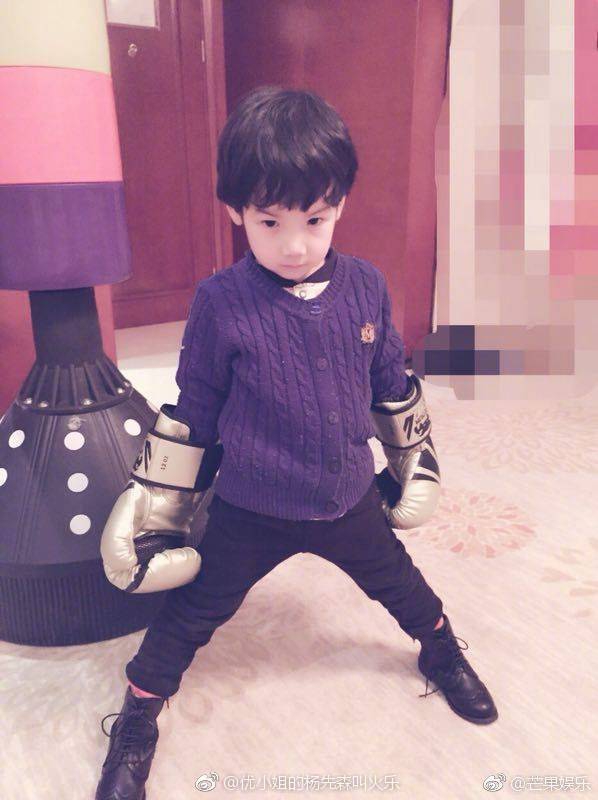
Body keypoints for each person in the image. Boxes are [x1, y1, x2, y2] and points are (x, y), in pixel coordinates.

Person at [95, 85, 498, 800]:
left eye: (315, 218)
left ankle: (441, 650)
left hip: (347, 495)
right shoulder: (220, 302)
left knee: (402, 585)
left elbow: (390, 383)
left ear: (340, 203)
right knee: (192, 612)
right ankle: (138, 712)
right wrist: (157, 506)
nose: (295, 244)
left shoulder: (367, 287)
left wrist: (416, 462)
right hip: (250, 506)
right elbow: (195, 411)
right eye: (269, 220)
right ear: (235, 211)